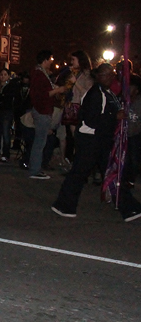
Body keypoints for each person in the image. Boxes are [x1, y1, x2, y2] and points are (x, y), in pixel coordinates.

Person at [51, 63, 141, 221]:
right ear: (98, 76)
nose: (110, 77)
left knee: (110, 173)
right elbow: (92, 120)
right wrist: (115, 117)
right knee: (80, 173)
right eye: (106, 75)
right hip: (91, 140)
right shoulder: (95, 94)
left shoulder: (107, 93)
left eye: (111, 75)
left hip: (101, 140)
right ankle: (63, 205)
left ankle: (128, 207)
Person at [28, 51, 68, 179]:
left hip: (42, 110)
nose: (52, 61)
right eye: (50, 58)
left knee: (40, 141)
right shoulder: (39, 74)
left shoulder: (40, 73)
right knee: (40, 142)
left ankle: (35, 168)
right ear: (45, 60)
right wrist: (58, 90)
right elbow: (43, 94)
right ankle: (35, 169)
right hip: (42, 111)